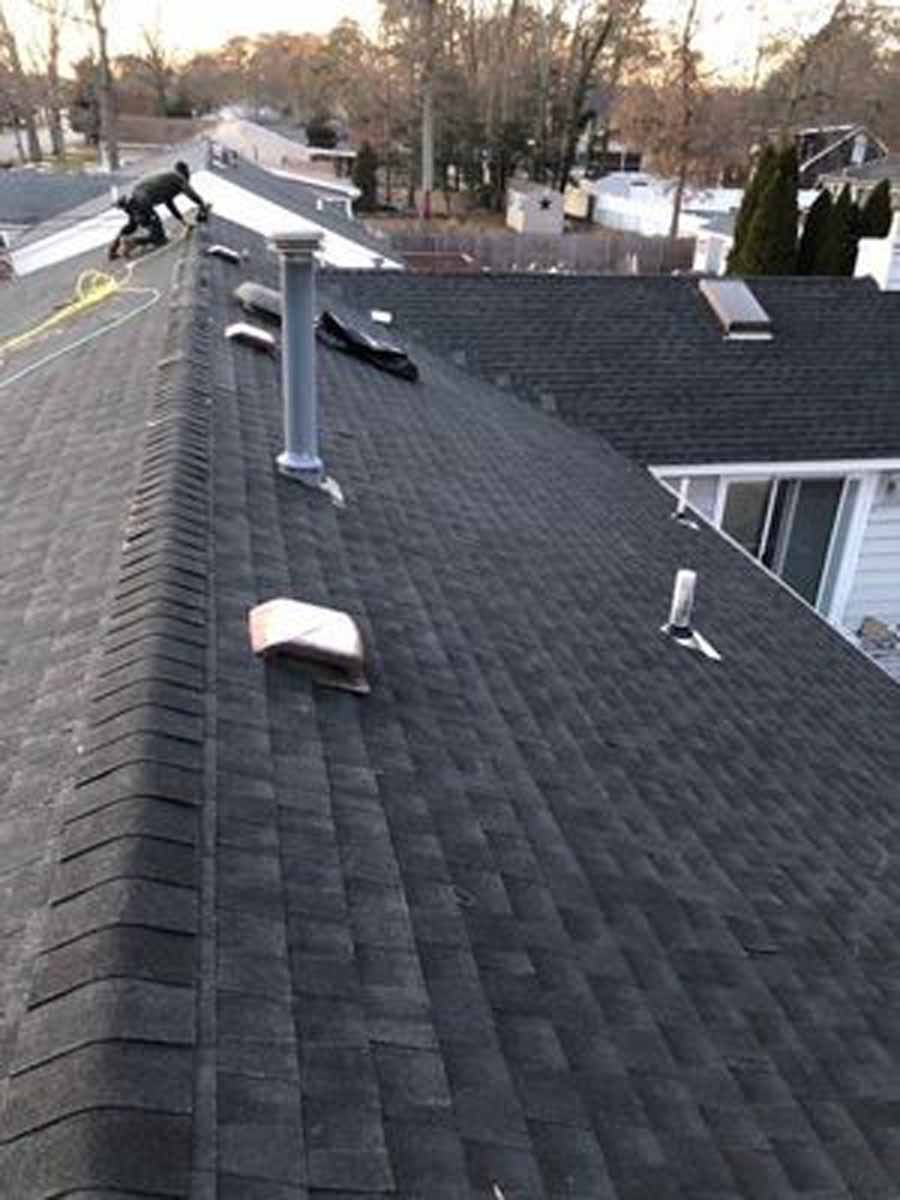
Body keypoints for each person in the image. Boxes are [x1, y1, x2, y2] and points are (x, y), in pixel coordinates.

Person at [109, 160, 210, 260]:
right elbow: (190, 193)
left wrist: (182, 221)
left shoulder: (168, 180)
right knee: (160, 239)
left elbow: (170, 204)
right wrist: (201, 203)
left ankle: (113, 248)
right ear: (185, 174)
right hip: (144, 202)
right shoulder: (178, 177)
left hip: (134, 199)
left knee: (132, 225)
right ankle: (131, 242)